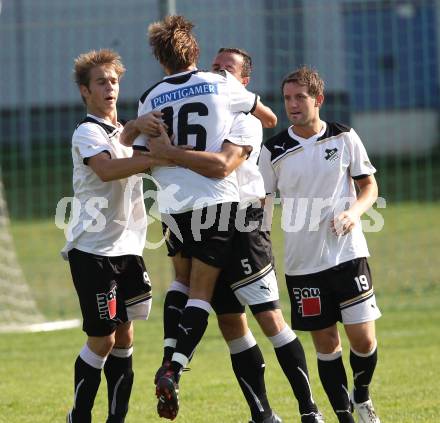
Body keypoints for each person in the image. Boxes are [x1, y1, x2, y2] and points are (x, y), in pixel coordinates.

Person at [130, 48, 324, 423]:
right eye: (215, 67)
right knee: (231, 323)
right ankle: (262, 414)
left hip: (246, 223)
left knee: (270, 320)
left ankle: (309, 411)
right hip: (211, 219)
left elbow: (221, 165)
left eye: (227, 70)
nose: (217, 73)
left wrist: (168, 151)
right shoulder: (213, 108)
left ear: (244, 81)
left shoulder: (245, 121)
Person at [258, 66, 381, 423]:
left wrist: (354, 213)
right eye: (287, 98)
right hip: (303, 265)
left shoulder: (344, 137)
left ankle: (362, 395)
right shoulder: (274, 150)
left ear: (318, 100)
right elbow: (262, 205)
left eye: (301, 97)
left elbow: (369, 187)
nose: (293, 105)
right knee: (326, 343)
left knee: (363, 340)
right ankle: (344, 416)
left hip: (348, 255)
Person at [63, 49, 166, 423]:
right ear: (84, 92)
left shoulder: (124, 133)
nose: (109, 87)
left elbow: (131, 144)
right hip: (92, 251)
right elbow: (107, 171)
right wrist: (161, 157)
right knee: (103, 338)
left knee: (125, 338)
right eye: (101, 82)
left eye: (114, 81)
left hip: (128, 249)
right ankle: (80, 416)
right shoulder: (87, 131)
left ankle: (116, 419)